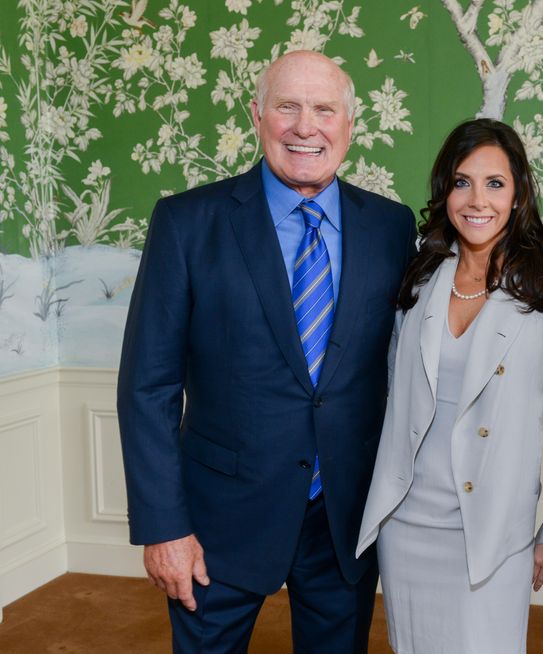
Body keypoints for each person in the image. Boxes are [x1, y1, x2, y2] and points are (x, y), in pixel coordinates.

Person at [117, 51, 416, 653]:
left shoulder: (391, 226)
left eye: (324, 110)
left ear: (349, 125)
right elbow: (147, 386)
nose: (306, 127)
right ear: (257, 116)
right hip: (218, 524)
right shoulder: (186, 222)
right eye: (288, 107)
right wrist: (164, 527)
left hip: (342, 521)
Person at [356, 118, 543, 654]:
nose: (477, 200)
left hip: (493, 530)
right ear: (445, 191)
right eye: (462, 182)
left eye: (495, 183)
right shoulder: (419, 279)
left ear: (519, 194)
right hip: (407, 522)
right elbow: (392, 397)